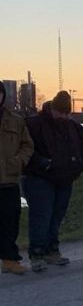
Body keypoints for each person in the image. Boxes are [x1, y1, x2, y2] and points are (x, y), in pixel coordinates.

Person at [23, 91, 83, 272]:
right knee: (41, 216)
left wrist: (78, 167)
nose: (63, 117)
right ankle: (37, 253)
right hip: (39, 178)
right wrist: (43, 163)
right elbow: (25, 149)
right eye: (60, 112)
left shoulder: (74, 127)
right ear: (52, 108)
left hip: (64, 179)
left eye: (66, 113)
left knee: (56, 217)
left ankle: (52, 250)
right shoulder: (33, 124)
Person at [0, 86, 33, 275]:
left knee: (10, 222)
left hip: (9, 180)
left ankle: (10, 261)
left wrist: (19, 161)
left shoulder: (16, 120)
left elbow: (27, 145)